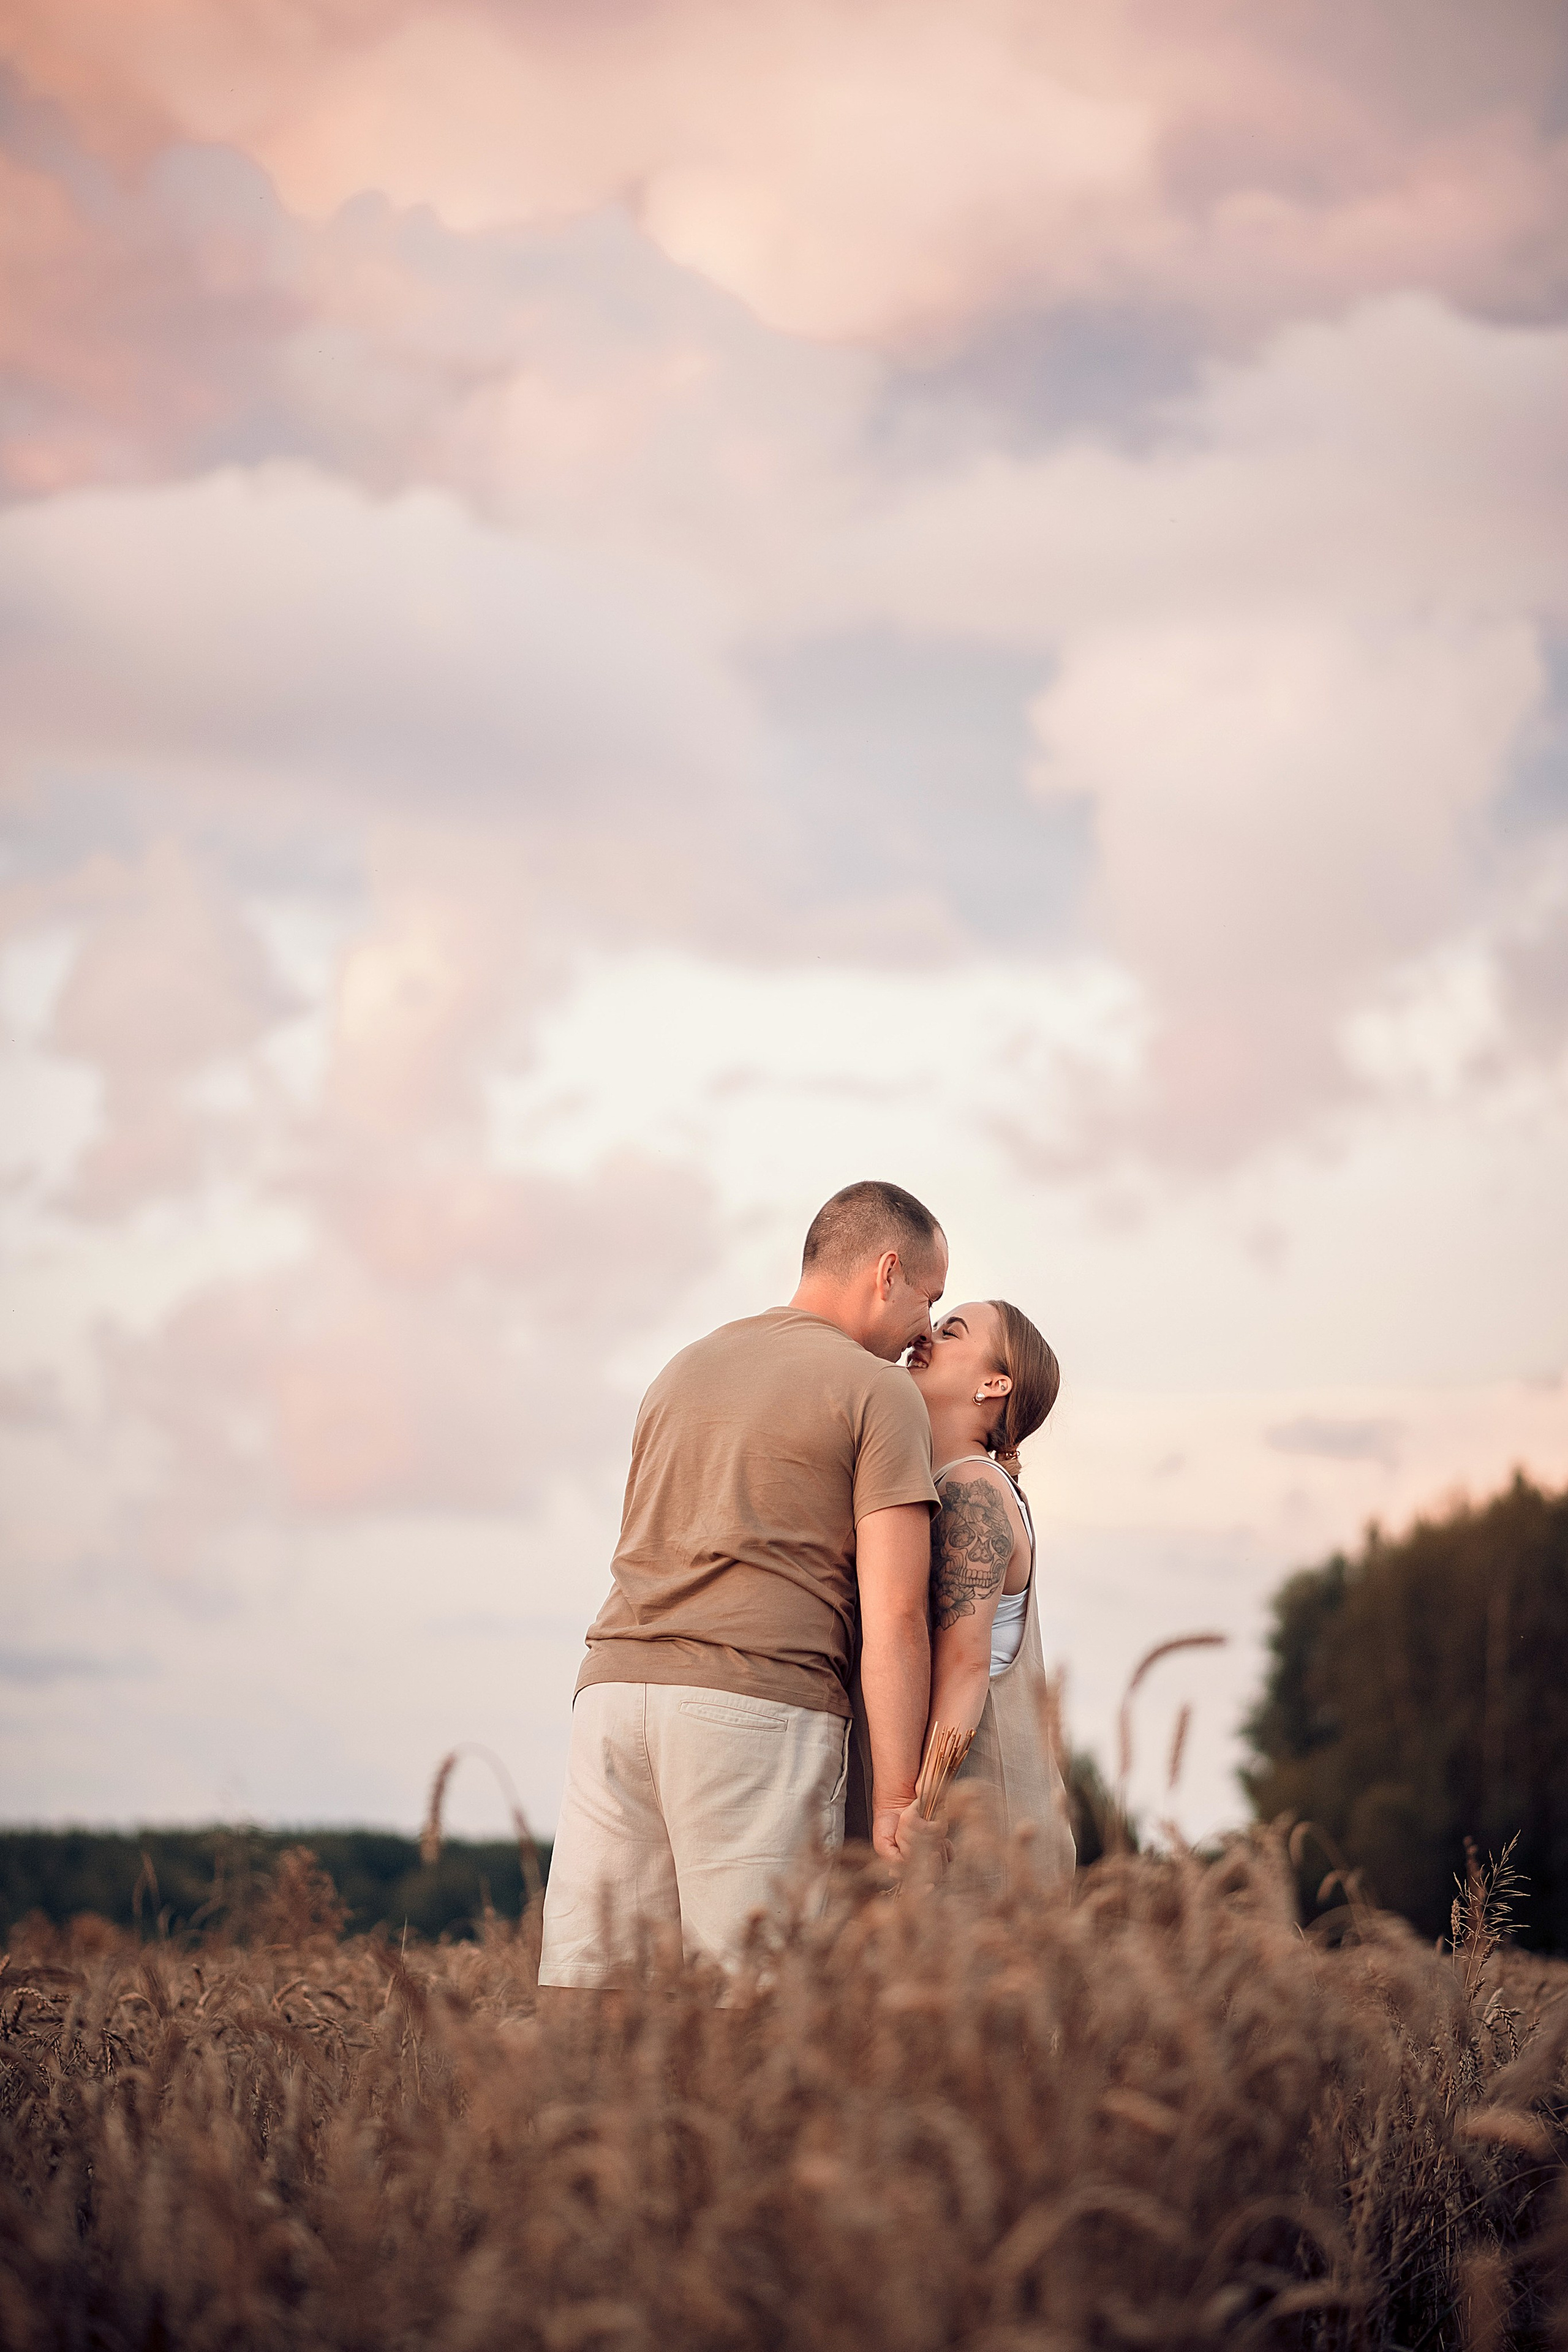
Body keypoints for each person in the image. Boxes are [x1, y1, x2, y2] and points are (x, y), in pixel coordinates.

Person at [537, 1180, 949, 1988]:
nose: (925, 1329)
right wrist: (902, 1798)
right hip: (755, 1709)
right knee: (753, 2010)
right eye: (929, 1299)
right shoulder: (879, 1392)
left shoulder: (683, 1369)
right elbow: (897, 1614)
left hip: (614, 1700)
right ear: (887, 1270)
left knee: (595, 1996)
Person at [901, 1298, 1074, 1877]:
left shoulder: (971, 1489)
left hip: (984, 1840)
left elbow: (967, 1667)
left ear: (994, 1384)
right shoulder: (949, 1485)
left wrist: (921, 1810)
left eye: (950, 1332)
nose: (924, 1336)